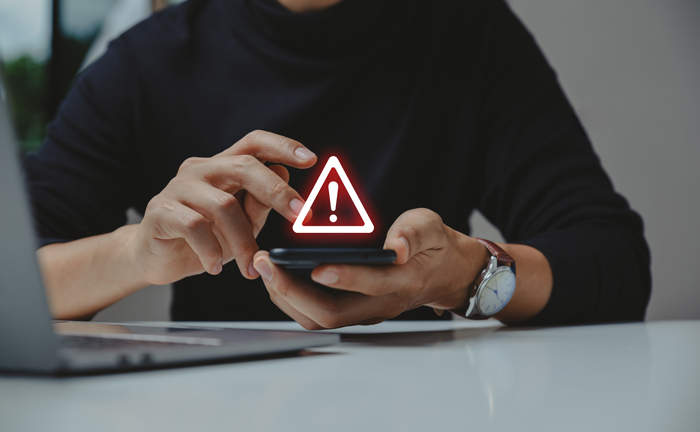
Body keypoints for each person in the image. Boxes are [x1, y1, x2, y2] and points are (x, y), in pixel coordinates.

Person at [24, 0, 651, 328]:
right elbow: (15, 284)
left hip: (432, 404)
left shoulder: (468, 31)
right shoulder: (145, 63)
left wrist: (464, 277)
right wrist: (136, 254)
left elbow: (613, 259)